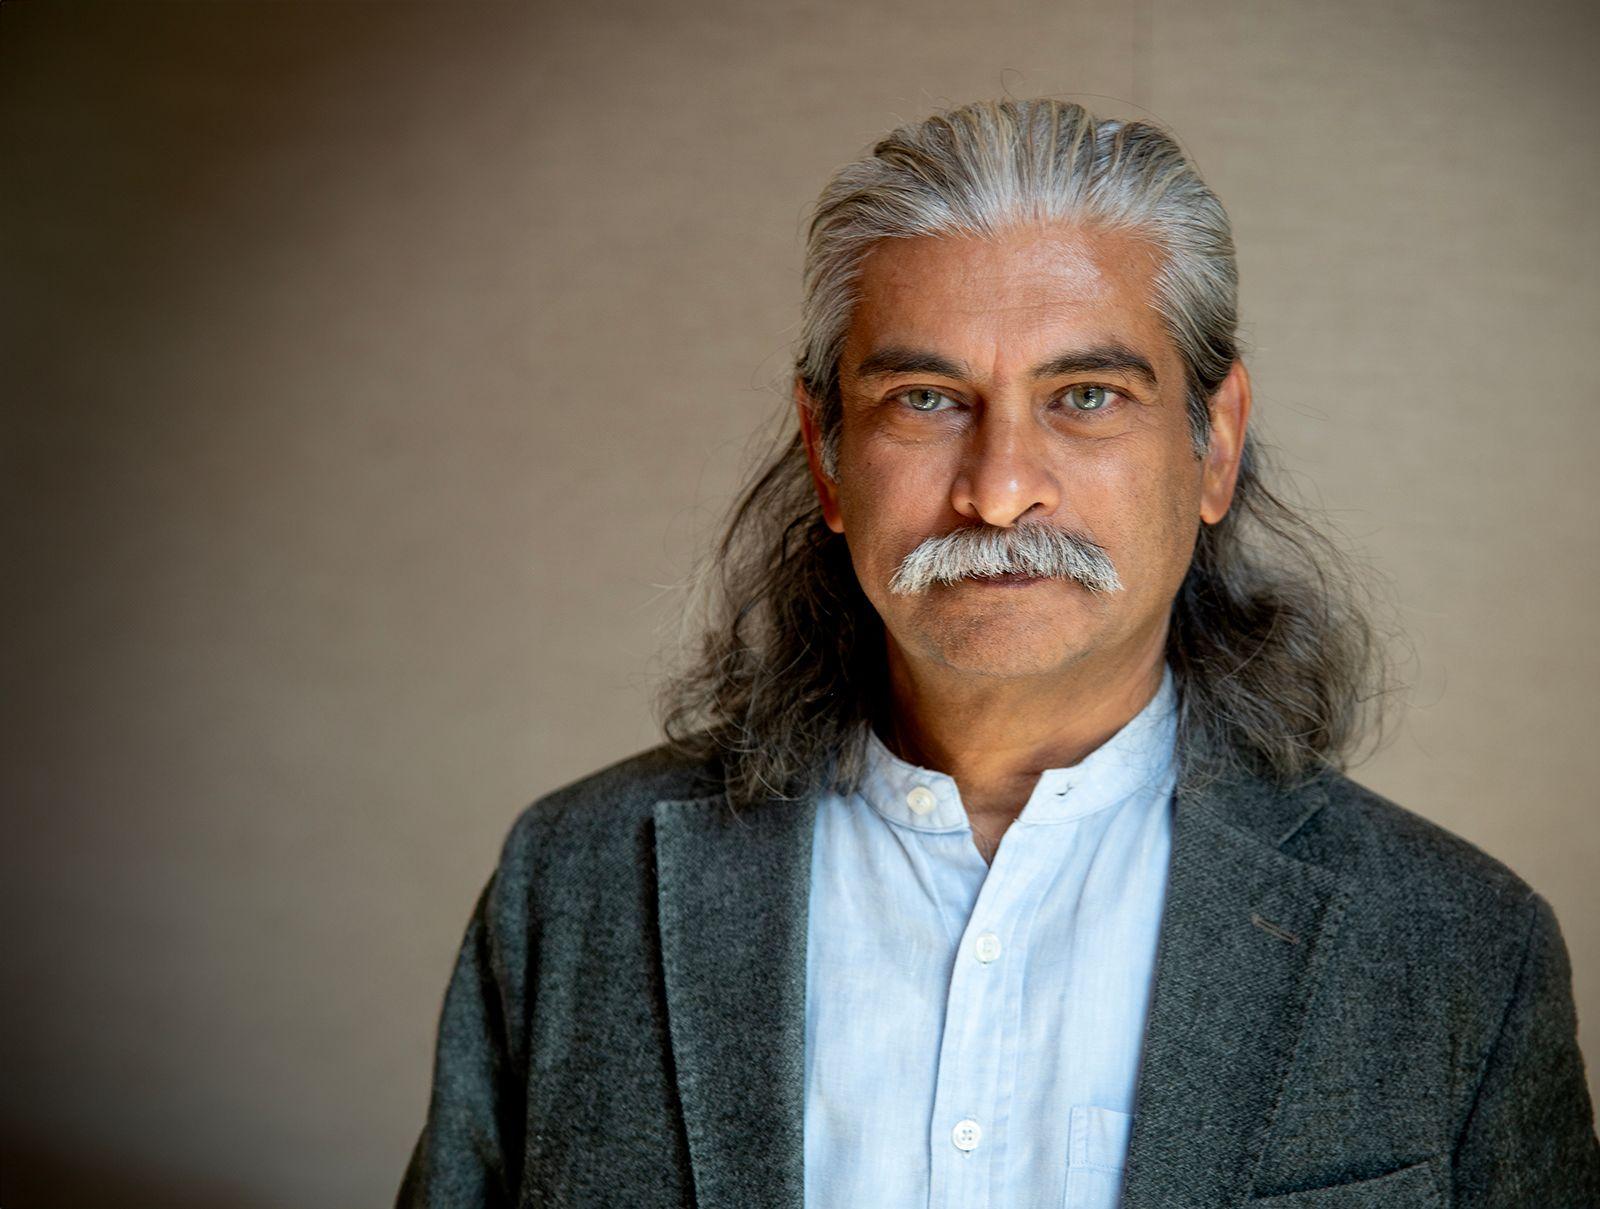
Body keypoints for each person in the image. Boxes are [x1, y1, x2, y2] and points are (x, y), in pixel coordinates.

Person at [396, 99, 1600, 1207]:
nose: (999, 490)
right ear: (825, 454)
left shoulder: (1453, 944)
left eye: (1084, 396)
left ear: (1214, 445)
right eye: (925, 398)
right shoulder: (575, 884)